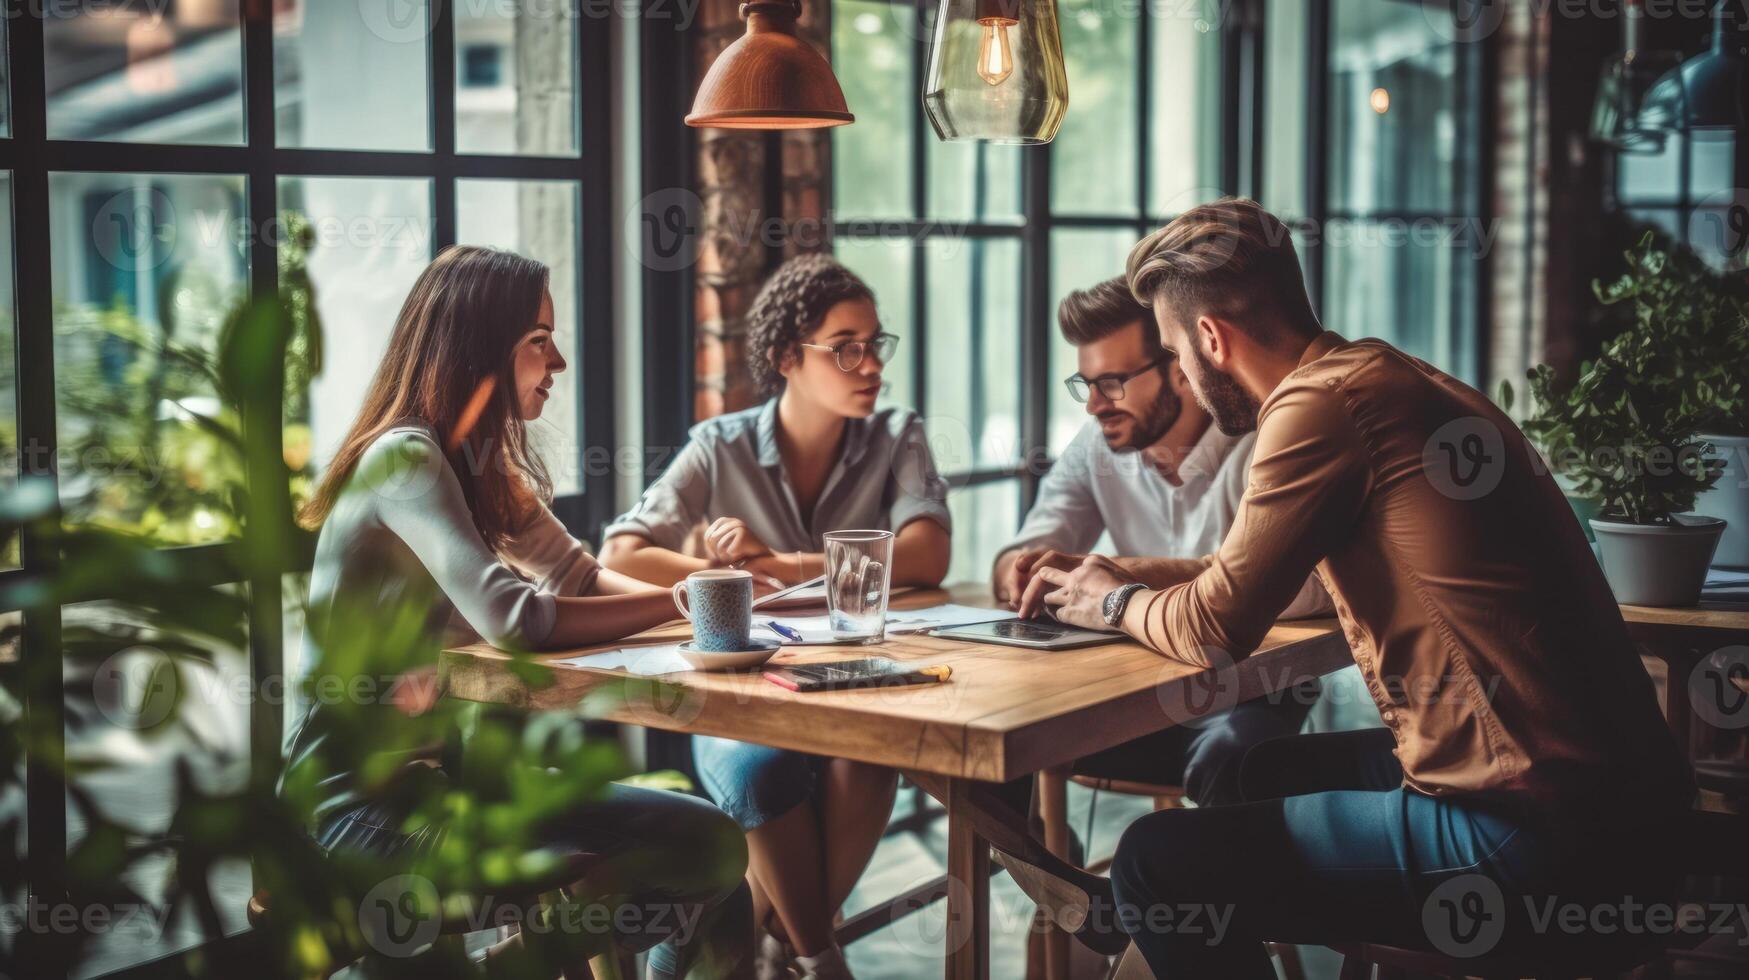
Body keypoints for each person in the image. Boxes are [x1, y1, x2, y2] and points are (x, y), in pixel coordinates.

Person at [1009, 199, 1693, 976]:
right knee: (1252, 775)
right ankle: (1136, 918)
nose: (1190, 385)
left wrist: (1109, 603)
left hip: (1534, 835)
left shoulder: (1314, 408)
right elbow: (1242, 571)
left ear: (1208, 339)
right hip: (1623, 813)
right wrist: (1119, 574)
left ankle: (1132, 904)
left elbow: (1211, 630)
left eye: (1173, 349)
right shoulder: (1380, 379)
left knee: (1154, 859)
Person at [285, 245, 751, 978]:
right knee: (636, 868)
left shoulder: (475, 464)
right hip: (354, 812)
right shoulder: (404, 459)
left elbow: (579, 578)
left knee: (712, 844)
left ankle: (508, 966)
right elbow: (516, 619)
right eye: (539, 341)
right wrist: (686, 600)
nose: (558, 362)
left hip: (454, 788)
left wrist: (725, 613)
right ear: (477, 349)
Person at [601, 254, 952, 980]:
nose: (870, 365)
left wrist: (786, 563)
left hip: (857, 680)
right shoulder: (719, 444)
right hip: (742, 698)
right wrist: (723, 579)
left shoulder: (896, 434)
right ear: (786, 358)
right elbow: (624, 550)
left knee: (869, 752)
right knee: (759, 775)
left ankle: (786, 943)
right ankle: (817, 955)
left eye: (875, 343)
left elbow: (926, 554)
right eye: (845, 346)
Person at [991, 277, 1326, 810]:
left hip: (1247, 692)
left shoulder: (1264, 442)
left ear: (1180, 366)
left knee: (1234, 759)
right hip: (1127, 690)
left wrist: (1114, 575)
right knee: (989, 740)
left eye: (1114, 383)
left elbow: (1308, 588)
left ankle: (1194, 892)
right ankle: (1061, 886)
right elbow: (1027, 546)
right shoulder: (1096, 446)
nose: (1095, 406)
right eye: (1086, 385)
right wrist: (1021, 567)